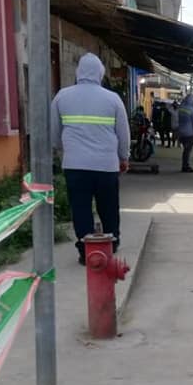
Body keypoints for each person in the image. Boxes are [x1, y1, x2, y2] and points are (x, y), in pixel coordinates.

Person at [51, 53, 131, 264]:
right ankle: (111, 244)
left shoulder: (62, 96)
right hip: (106, 166)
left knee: (81, 209)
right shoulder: (112, 99)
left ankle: (86, 252)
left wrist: (67, 150)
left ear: (79, 72)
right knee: (108, 207)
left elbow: (54, 134)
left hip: (75, 166)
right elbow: (123, 134)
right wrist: (124, 157)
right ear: (100, 73)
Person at [176, 94, 193, 173]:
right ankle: (185, 166)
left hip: (181, 133)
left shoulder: (180, 108)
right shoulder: (191, 109)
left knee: (186, 150)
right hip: (189, 133)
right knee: (187, 151)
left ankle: (185, 165)